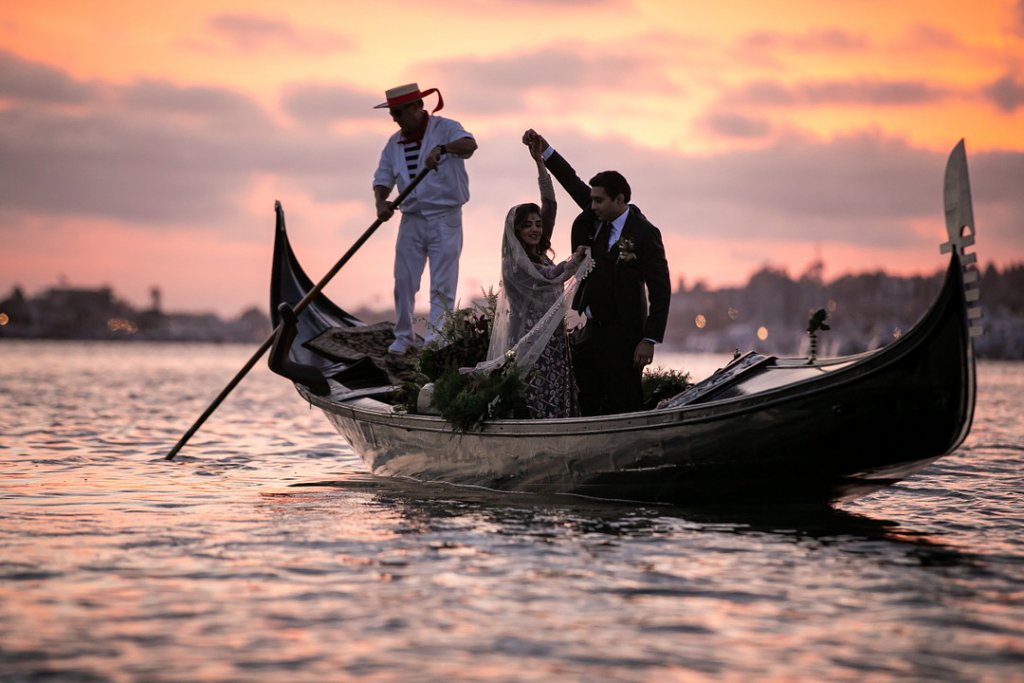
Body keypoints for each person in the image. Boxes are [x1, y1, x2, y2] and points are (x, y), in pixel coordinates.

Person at [521, 130, 671, 415]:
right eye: (592, 200)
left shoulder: (645, 234)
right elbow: (572, 181)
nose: (593, 206)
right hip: (590, 331)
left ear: (620, 199)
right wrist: (545, 151)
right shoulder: (596, 218)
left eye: (600, 201)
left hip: (625, 334)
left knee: (624, 400)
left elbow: (661, 290)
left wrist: (648, 339)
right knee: (586, 396)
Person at [486, 138, 589, 418]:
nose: (534, 229)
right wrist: (574, 260)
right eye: (527, 225)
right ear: (516, 230)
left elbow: (550, 205)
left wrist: (541, 165)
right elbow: (549, 277)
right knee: (533, 398)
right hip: (528, 343)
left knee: (557, 396)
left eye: (537, 224)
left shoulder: (541, 252)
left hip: (553, 341)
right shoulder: (515, 265)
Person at [372, 83, 478, 355]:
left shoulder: (446, 128)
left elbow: (469, 144)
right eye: (393, 114)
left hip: (445, 217)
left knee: (442, 284)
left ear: (417, 107)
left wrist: (443, 149)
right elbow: (383, 178)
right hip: (412, 218)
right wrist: (381, 202)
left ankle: (435, 343)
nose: (395, 118)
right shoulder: (393, 143)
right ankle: (403, 337)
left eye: (398, 112)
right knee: (404, 281)